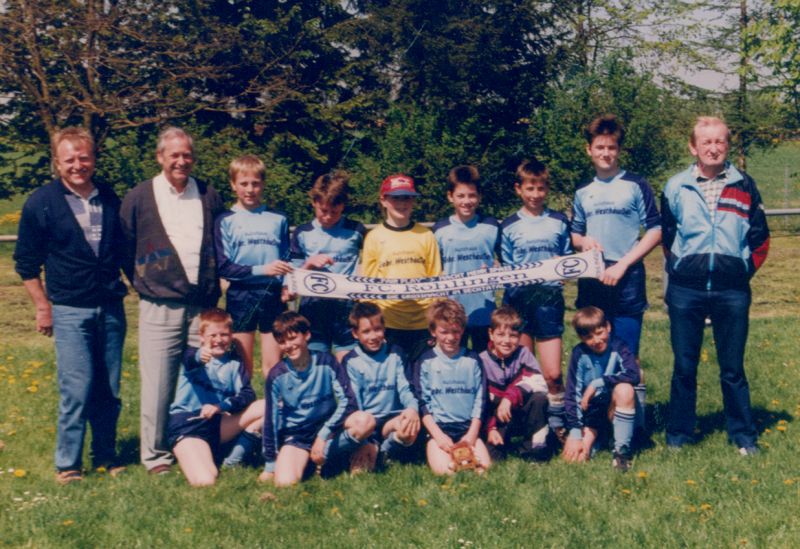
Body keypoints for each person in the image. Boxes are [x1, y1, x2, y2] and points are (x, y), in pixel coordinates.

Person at [14, 127, 129, 484]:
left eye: (84, 158)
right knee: (76, 389)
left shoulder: (108, 197)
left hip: (110, 307)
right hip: (69, 309)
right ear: (57, 162)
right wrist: (43, 307)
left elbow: (123, 251)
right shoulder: (41, 202)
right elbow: (26, 264)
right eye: (69, 160)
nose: (78, 165)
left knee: (108, 389)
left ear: (93, 159)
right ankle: (68, 464)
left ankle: (106, 455)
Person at [661, 116, 769, 455]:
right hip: (686, 290)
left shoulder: (744, 185)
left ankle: (743, 435)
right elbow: (668, 237)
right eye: (706, 142)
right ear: (693, 147)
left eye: (720, 141)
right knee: (684, 367)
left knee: (733, 368)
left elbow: (760, 238)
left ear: (728, 145)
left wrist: (740, 271)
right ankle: (679, 434)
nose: (713, 148)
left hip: (731, 290)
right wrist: (681, 268)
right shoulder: (675, 186)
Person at [120, 127, 225, 474]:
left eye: (187, 155)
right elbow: (125, 247)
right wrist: (146, 282)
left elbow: (219, 242)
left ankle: (200, 443)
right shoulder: (139, 197)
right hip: (159, 304)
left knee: (203, 378)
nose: (181, 161)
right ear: (160, 157)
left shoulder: (207, 194)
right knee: (158, 385)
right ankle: (156, 456)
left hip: (201, 306)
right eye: (174, 155)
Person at [571, 114, 660, 432]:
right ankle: (597, 424)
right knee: (594, 352)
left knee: (627, 356)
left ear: (619, 150)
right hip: (593, 279)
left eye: (611, 147)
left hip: (627, 278)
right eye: (599, 147)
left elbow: (655, 230)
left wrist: (623, 264)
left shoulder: (636, 184)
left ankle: (635, 428)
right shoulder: (582, 190)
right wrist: (584, 242)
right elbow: (575, 233)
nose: (605, 153)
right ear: (589, 150)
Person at [499, 159, 572, 440]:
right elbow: (506, 266)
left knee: (552, 374)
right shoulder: (508, 225)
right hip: (519, 303)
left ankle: (558, 424)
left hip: (549, 303)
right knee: (526, 373)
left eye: (541, 188)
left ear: (547, 189)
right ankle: (530, 428)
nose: (535, 194)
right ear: (518, 189)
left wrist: (563, 271)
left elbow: (567, 259)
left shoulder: (558, 221)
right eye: (529, 188)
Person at [258, 312, 375, 486]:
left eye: (292, 338)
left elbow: (349, 401)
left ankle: (326, 454)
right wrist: (270, 465)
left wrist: (323, 435)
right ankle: (317, 461)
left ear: (307, 335)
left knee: (365, 420)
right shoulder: (277, 375)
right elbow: (271, 421)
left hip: (328, 430)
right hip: (298, 436)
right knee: (284, 483)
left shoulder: (326, 361)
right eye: (282, 342)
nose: (288, 345)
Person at [214, 154, 292, 377]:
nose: (250, 189)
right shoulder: (224, 220)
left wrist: (287, 284)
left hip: (272, 294)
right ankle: (245, 400)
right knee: (242, 366)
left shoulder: (278, 218)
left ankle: (272, 400)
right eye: (244, 183)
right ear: (233, 184)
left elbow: (288, 257)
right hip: (241, 295)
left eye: (255, 183)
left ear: (263, 184)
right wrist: (262, 270)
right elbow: (224, 267)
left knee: (274, 365)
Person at [167, 308, 264, 486]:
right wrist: (200, 355)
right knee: (206, 479)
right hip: (189, 426)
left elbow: (247, 394)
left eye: (224, 334)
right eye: (212, 335)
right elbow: (191, 359)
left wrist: (221, 406)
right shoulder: (192, 355)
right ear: (201, 337)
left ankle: (234, 458)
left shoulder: (234, 363)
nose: (219, 340)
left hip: (217, 424)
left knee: (266, 406)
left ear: (231, 336)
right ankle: (196, 452)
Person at [361, 174, 442, 361]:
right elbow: (368, 285)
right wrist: (373, 323)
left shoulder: (426, 235)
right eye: (396, 198)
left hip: (423, 322)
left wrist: (435, 319)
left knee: (421, 374)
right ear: (383, 200)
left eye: (407, 198)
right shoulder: (374, 237)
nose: (402, 203)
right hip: (389, 321)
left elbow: (436, 278)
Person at [289, 172, 366, 363]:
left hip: (346, 309)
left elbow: (369, 263)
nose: (328, 217)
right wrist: (309, 264)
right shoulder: (302, 232)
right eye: (323, 210)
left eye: (335, 212)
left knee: (349, 366)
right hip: (313, 308)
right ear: (314, 202)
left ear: (343, 206)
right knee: (316, 366)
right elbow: (292, 277)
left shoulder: (356, 230)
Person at [412, 299, 491, 475]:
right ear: (433, 331)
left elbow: (481, 400)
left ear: (462, 330)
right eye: (444, 332)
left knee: (483, 468)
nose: (450, 337)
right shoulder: (425, 362)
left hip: (467, 429)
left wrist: (471, 435)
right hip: (439, 429)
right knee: (445, 472)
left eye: (455, 331)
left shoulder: (473, 359)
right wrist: (439, 436)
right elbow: (422, 403)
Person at [342, 302, 420, 471]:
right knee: (359, 473)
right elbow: (353, 403)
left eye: (377, 329)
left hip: (391, 420)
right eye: (366, 331)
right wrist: (364, 441)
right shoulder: (351, 361)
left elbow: (406, 389)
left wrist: (412, 408)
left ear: (384, 328)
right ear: (355, 333)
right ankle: (368, 447)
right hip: (367, 423)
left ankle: (383, 451)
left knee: (409, 427)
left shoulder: (396, 353)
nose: (373, 336)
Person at [562, 307, 639, 472]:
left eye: (599, 333)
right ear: (580, 338)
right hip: (591, 411)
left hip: (614, 405)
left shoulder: (619, 346)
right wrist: (575, 432)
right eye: (589, 337)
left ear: (608, 327)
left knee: (625, 389)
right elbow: (572, 393)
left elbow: (633, 374)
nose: (596, 340)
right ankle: (598, 440)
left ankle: (622, 452)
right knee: (576, 459)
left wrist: (599, 382)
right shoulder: (579, 353)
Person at [433, 165, 500, 353]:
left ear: (479, 196)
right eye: (460, 196)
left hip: (484, 311)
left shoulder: (491, 226)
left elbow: (508, 264)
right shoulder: (440, 230)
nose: (466, 201)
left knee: (485, 363)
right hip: (452, 312)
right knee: (454, 362)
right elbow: (434, 270)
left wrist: (497, 269)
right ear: (450, 196)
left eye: (472, 195)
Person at [479, 306, 550, 461]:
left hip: (521, 411)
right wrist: (490, 427)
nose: (506, 341)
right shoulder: (482, 361)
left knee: (539, 398)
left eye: (513, 336)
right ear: (491, 334)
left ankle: (535, 449)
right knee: (493, 459)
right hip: (496, 417)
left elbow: (539, 382)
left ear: (519, 336)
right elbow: (480, 401)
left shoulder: (524, 354)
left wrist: (509, 397)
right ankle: (498, 439)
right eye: (500, 334)